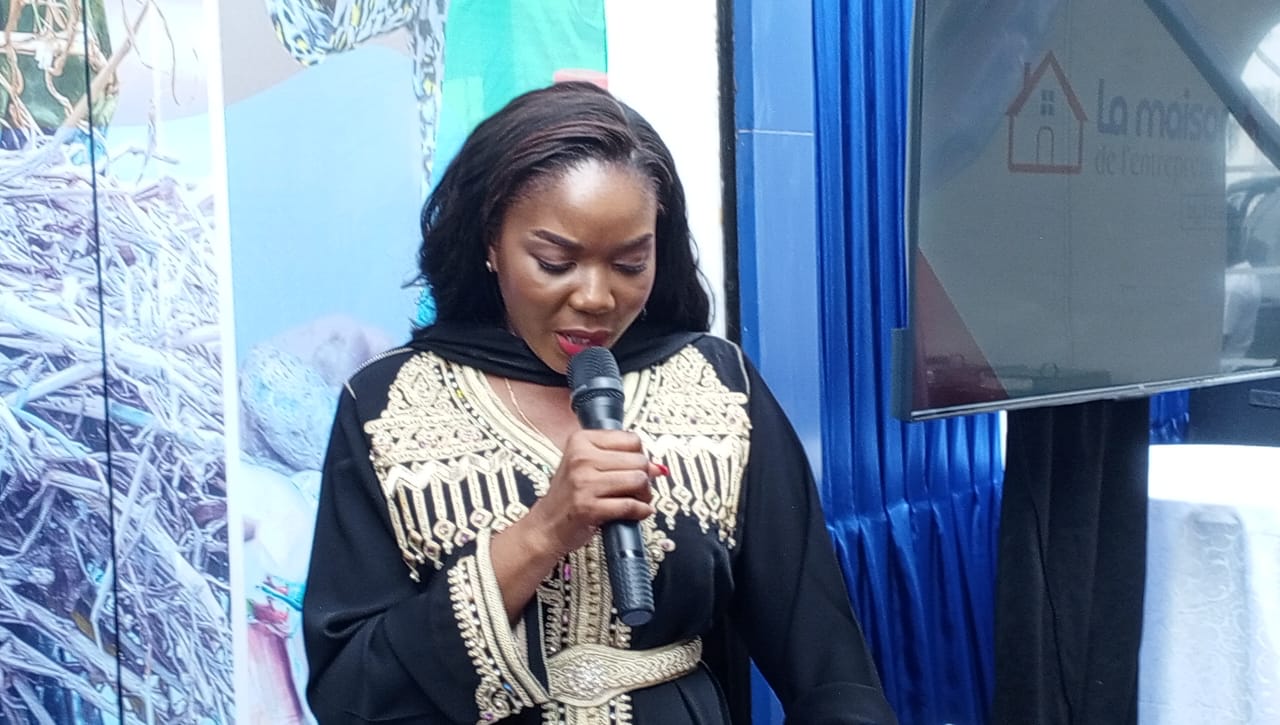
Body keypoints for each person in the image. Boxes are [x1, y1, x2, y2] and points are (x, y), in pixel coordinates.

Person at [301, 81, 898, 725]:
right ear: (490, 242)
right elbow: (350, 692)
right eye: (555, 262)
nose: (596, 298)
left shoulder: (715, 385)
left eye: (630, 263)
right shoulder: (388, 405)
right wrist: (542, 532)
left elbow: (828, 668)